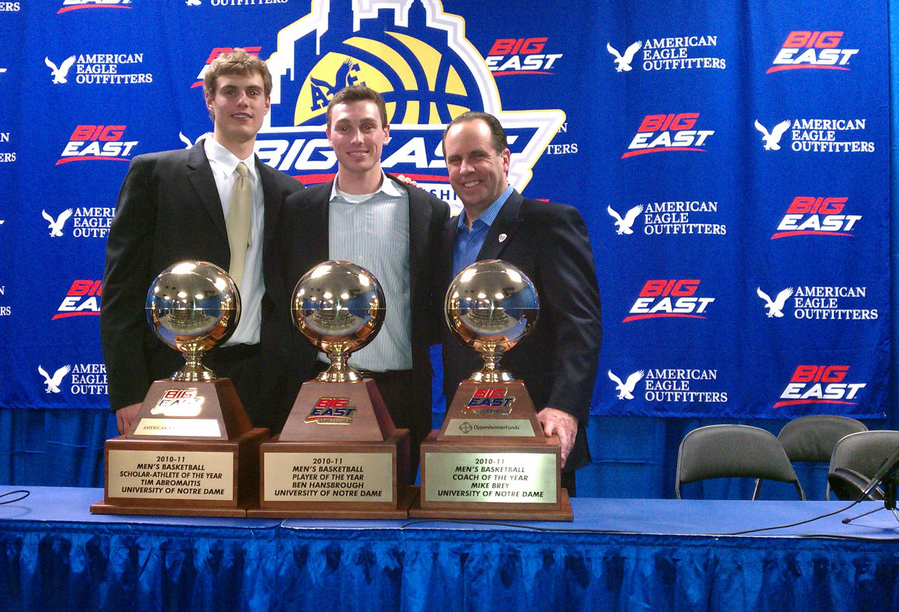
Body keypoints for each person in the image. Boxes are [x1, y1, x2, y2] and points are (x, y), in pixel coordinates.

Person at [101, 49, 303, 435]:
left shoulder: (287, 191)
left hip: (263, 379)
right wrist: (128, 391)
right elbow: (121, 291)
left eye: (253, 92)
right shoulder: (156, 175)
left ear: (266, 105)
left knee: (255, 492)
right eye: (230, 91)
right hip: (171, 374)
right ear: (210, 100)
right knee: (183, 491)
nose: (242, 101)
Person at [278, 85, 450, 479]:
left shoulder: (427, 211)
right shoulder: (298, 210)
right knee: (321, 513)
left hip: (401, 391)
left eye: (368, 126)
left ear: (386, 133)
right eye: (345, 127)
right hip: (318, 389)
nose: (357, 139)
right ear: (328, 135)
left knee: (396, 511)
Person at [439, 111, 602, 495]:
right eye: (455, 159)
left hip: (537, 428)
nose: (466, 169)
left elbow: (581, 327)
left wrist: (566, 407)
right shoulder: (444, 235)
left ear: (505, 159)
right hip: (463, 428)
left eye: (478, 156)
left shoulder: (549, 223)